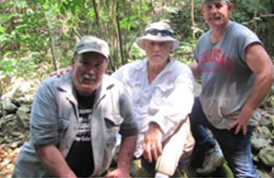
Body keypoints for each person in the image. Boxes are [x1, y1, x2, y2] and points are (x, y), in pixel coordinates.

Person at [12, 36, 138, 178]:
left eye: (98, 65)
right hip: (40, 174)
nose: (90, 71)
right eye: (85, 63)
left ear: (105, 67)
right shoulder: (50, 90)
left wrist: (123, 168)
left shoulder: (116, 91)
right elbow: (44, 144)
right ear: (73, 63)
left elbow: (131, 131)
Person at [189, 0, 274, 178]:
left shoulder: (241, 37)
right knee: (184, 112)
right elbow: (201, 67)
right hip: (207, 109)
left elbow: (268, 73)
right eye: (209, 7)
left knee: (243, 172)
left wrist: (248, 111)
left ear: (229, 8)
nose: (214, 11)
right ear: (203, 11)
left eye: (218, 6)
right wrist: (174, 70)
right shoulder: (203, 40)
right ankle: (210, 149)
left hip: (233, 120)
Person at [111, 22, 195, 178]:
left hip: (164, 141)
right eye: (152, 44)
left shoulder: (180, 72)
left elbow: (182, 101)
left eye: (162, 44)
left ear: (170, 47)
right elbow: (104, 85)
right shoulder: (129, 71)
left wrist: (157, 126)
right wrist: (71, 73)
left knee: (182, 122)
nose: (156, 49)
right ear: (144, 46)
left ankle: (163, 174)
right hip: (131, 141)